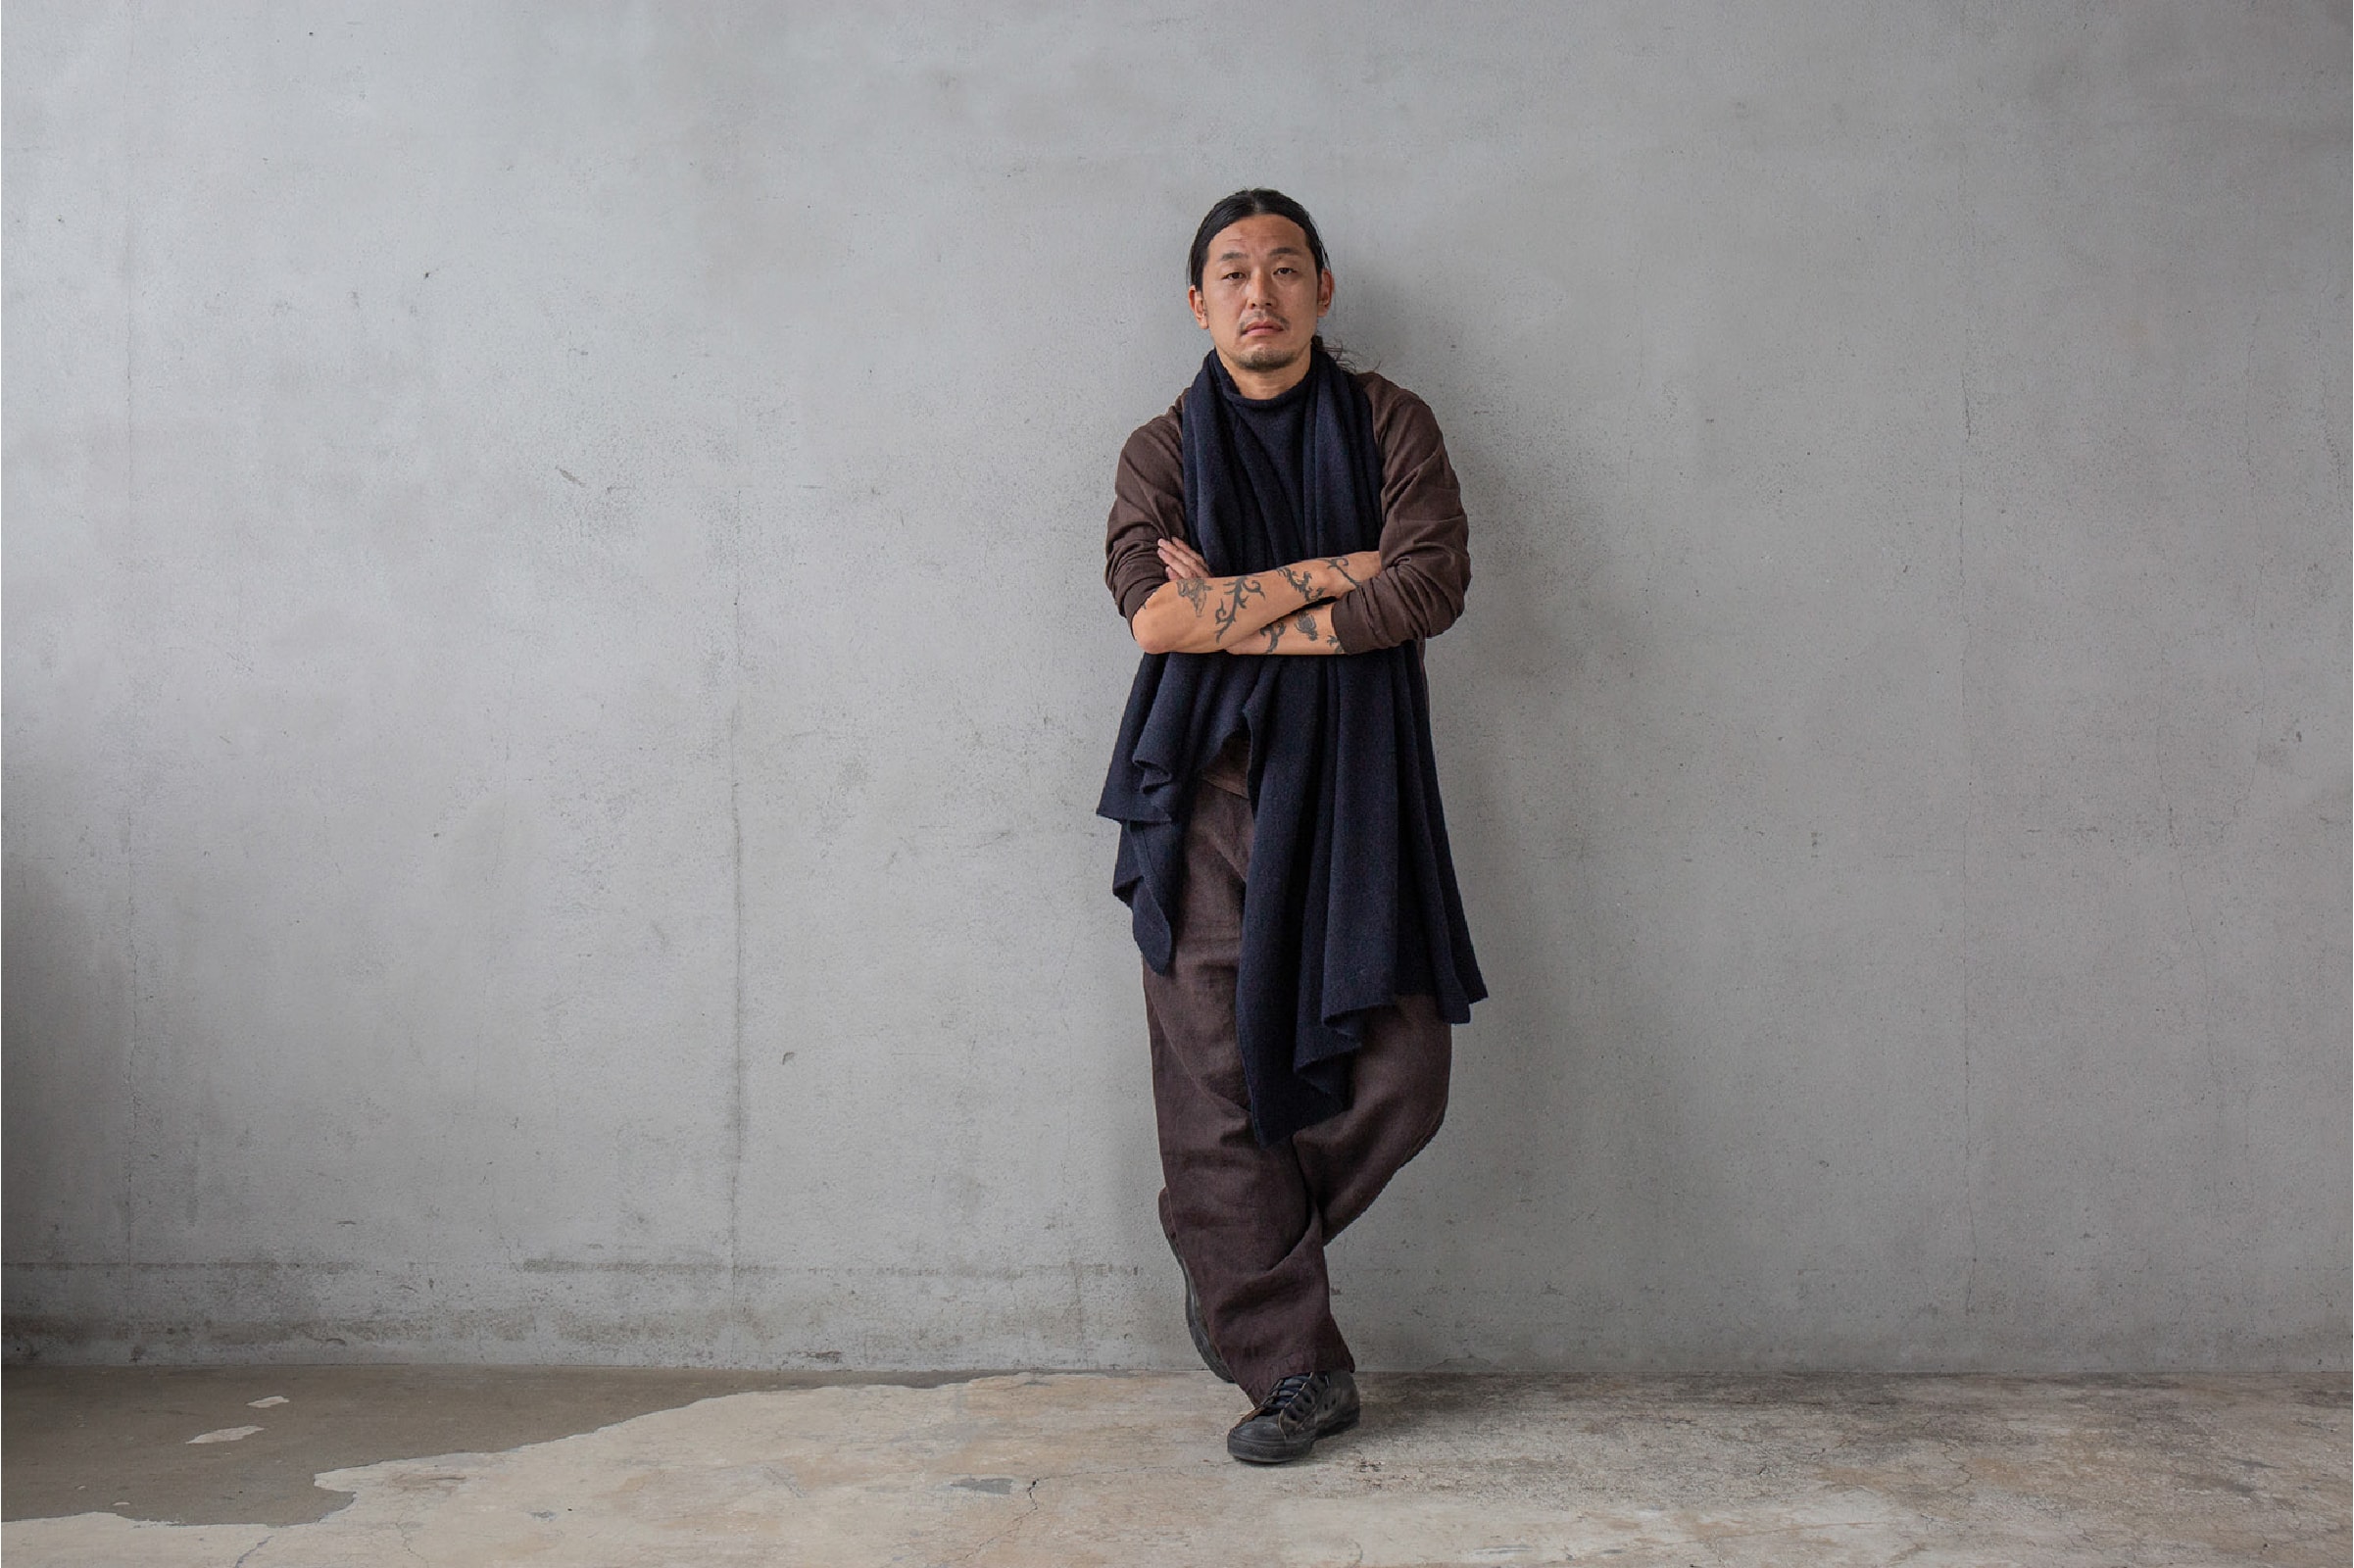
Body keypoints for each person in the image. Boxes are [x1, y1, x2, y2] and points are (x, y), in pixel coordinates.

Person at [1097, 188, 1486, 1464]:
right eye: (1231, 271)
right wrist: (1341, 568)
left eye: (1282, 267)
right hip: (1203, 785)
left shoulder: (1389, 423)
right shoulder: (1160, 451)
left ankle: (1227, 1245)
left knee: (1403, 1072)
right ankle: (1295, 1367)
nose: (1257, 292)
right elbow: (1155, 617)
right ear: (1197, 302)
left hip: (1362, 788)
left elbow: (1431, 582)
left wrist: (1240, 610)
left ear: (1321, 289)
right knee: (1214, 1077)